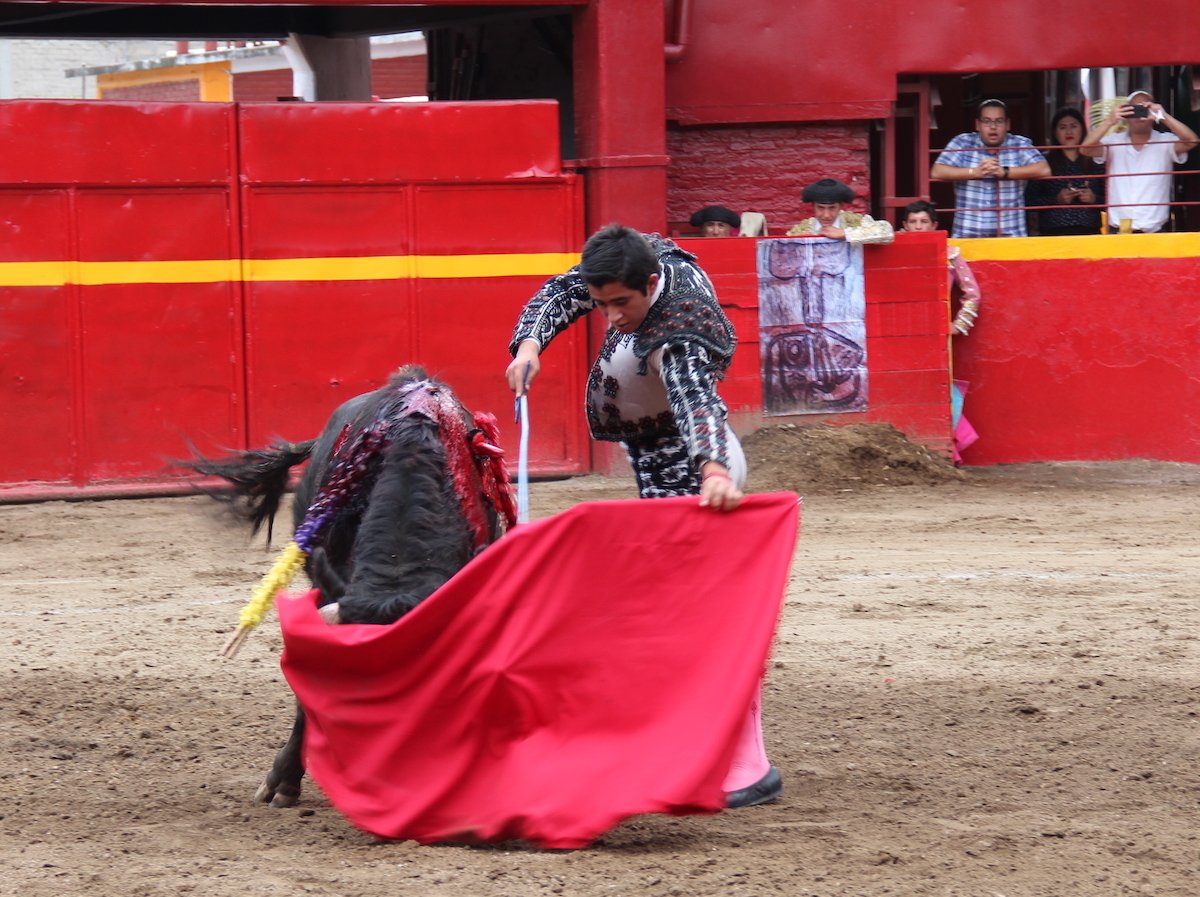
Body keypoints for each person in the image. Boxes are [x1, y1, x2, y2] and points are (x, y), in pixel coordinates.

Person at [505, 223, 782, 808]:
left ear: (651, 284)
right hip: (659, 465)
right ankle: (709, 746)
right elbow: (563, 291)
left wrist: (712, 469)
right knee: (680, 616)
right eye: (601, 304)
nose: (609, 316)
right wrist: (529, 345)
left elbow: (696, 400)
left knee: (699, 620)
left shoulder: (678, 331)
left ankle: (746, 764)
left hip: (695, 471)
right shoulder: (637, 265)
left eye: (620, 304)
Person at [900, 201, 980, 462]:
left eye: (924, 222)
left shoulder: (950, 254)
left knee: (938, 390)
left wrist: (958, 325)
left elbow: (973, 294)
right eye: (913, 222)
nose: (918, 227)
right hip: (904, 334)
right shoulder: (894, 251)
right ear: (904, 226)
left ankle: (947, 452)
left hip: (936, 335)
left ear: (934, 226)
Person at [1079, 89, 1200, 234]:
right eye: (1134, 109)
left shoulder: (1165, 141)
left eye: (1145, 108)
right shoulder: (1113, 142)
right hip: (1118, 230)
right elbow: (1085, 150)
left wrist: (1164, 116)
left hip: (1154, 231)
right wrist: (1110, 121)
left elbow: (1192, 141)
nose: (1140, 114)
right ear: (1127, 113)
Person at [930, 99, 1051, 238]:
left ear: (1007, 124)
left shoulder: (1019, 144)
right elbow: (937, 171)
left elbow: (1044, 169)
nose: (993, 127)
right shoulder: (962, 142)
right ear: (978, 125)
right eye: (986, 121)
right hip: (968, 236)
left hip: (1010, 238)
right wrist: (974, 172)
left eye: (999, 121)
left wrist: (1005, 172)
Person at [1025, 107, 1106, 236]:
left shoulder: (1095, 160)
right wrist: (1056, 199)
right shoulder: (1043, 161)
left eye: (1074, 126)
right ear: (1055, 133)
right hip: (1053, 233)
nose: (1069, 132)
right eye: (1062, 127)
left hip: (1089, 232)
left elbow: (1110, 200)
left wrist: (1093, 198)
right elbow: (1029, 201)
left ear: (1082, 130)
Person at [786, 178, 894, 243]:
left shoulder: (854, 222)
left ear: (841, 206)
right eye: (820, 208)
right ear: (813, 206)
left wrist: (845, 233)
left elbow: (887, 231)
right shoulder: (802, 230)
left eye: (832, 208)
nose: (826, 215)